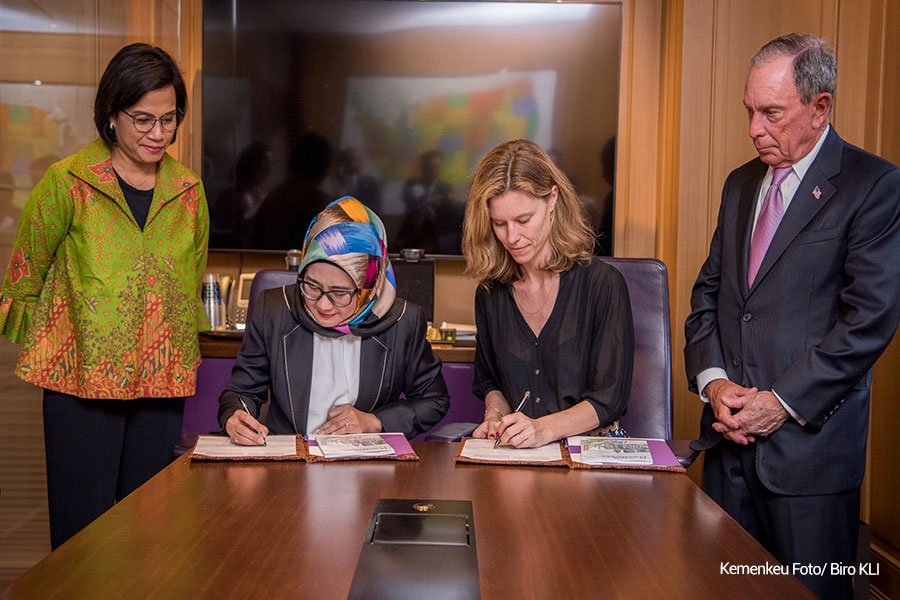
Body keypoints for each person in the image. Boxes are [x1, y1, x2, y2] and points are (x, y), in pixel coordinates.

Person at [684, 33, 900, 599]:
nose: (754, 128)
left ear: (820, 107)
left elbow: (868, 321)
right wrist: (714, 384)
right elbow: (709, 295)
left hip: (810, 461)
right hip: (728, 450)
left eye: (771, 113)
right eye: (749, 111)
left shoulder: (872, 185)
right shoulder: (739, 184)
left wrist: (780, 403)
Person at [0, 43, 209, 549]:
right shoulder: (67, 182)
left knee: (149, 535)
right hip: (80, 387)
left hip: (160, 384)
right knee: (83, 536)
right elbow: (24, 278)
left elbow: (190, 280)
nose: (158, 134)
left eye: (169, 119)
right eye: (143, 120)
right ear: (111, 115)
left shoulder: (188, 191)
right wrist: (59, 349)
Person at [219, 196, 450, 442]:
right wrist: (236, 417)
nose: (323, 305)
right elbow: (241, 391)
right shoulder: (275, 309)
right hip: (290, 457)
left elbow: (433, 400)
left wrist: (374, 421)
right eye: (312, 286)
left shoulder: (402, 321)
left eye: (339, 293)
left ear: (368, 286)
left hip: (367, 460)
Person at [462, 139, 633, 449]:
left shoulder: (602, 285)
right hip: (519, 455)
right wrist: (495, 415)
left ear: (552, 199)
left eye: (523, 220)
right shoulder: (490, 293)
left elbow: (608, 400)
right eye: (499, 223)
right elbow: (491, 382)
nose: (512, 237)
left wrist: (541, 429)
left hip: (589, 456)